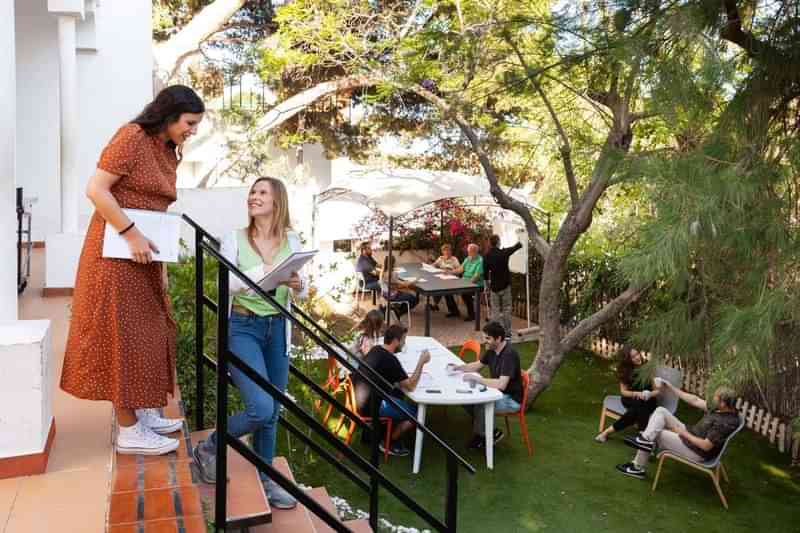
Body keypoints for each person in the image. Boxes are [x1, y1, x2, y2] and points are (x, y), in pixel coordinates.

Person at [60, 85, 205, 456]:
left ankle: (142, 411)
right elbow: (96, 189)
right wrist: (131, 233)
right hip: (115, 252)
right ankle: (129, 431)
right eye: (190, 123)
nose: (193, 130)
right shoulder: (132, 137)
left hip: (143, 256)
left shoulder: (166, 149)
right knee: (121, 336)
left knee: (151, 330)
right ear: (170, 114)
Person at [192, 177, 308, 509]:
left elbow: (303, 291)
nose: (254, 197)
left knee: (271, 414)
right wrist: (268, 271)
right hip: (243, 328)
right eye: (252, 193)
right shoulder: (234, 238)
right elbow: (226, 283)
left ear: (277, 202)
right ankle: (211, 446)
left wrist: (297, 284)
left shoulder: (293, 240)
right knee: (261, 407)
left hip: (277, 329)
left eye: (261, 193)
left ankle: (266, 479)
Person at [616, 384, 741, 480]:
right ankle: (645, 441)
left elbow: (706, 446)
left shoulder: (726, 422)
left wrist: (682, 432)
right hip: (691, 435)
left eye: (716, 397)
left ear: (723, 403)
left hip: (696, 451)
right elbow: (695, 400)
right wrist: (671, 387)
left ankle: (637, 467)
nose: (713, 398)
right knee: (661, 411)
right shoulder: (719, 408)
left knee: (657, 433)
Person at [354, 325, 431, 456]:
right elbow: (411, 386)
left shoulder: (376, 350)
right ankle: (388, 443)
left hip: (359, 399)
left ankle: (376, 432)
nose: (403, 344)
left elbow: (389, 374)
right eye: (403, 340)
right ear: (396, 341)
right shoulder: (391, 360)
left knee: (398, 393)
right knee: (417, 415)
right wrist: (421, 363)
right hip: (372, 405)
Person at [453, 322, 523, 449]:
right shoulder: (491, 349)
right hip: (498, 393)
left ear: (499, 338)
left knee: (481, 404)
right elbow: (477, 365)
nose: (484, 341)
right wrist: (458, 368)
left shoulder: (509, 354)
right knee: (466, 400)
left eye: (487, 338)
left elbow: (502, 384)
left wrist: (477, 379)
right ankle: (491, 431)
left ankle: (481, 436)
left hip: (511, 399)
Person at [594, 345, 660, 443]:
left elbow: (657, 391)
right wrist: (637, 394)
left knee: (638, 407)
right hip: (630, 399)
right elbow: (623, 392)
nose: (637, 357)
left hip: (648, 400)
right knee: (639, 405)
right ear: (628, 360)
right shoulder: (625, 371)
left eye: (637, 354)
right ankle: (643, 436)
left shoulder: (647, 367)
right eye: (633, 357)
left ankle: (607, 432)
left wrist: (649, 394)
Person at [484, 235, 522, 338]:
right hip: (505, 286)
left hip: (494, 287)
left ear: (490, 243)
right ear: (498, 242)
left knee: (495, 311)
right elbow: (516, 247)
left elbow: (485, 274)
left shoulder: (487, 256)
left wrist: (487, 286)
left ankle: (495, 334)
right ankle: (507, 333)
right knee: (507, 309)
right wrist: (521, 238)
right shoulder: (504, 253)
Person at [453, 243, 484, 322]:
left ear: (475, 252)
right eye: (468, 252)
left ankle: (472, 315)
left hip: (476, 284)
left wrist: (467, 285)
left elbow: (476, 276)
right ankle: (454, 311)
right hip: (465, 281)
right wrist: (450, 272)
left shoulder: (480, 261)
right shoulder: (468, 258)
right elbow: (460, 269)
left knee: (466, 293)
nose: (468, 253)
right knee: (449, 290)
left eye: (470, 252)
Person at [431, 243, 462, 317]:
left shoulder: (454, 259)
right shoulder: (441, 258)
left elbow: (459, 269)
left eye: (448, 251)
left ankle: (454, 311)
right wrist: (429, 266)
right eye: (445, 251)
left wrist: (450, 271)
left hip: (452, 279)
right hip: (442, 278)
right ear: (442, 252)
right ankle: (435, 304)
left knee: (445, 291)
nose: (447, 252)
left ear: (451, 251)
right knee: (435, 286)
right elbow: (434, 265)